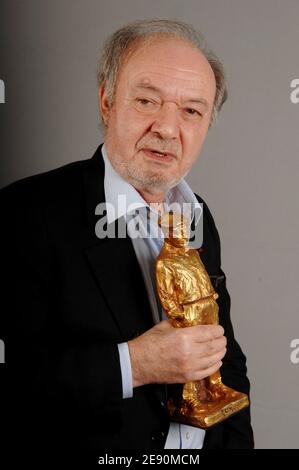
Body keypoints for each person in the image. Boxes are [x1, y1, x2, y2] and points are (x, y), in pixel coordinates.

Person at [0, 19, 254, 458]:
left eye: (191, 110)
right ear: (106, 101)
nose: (168, 128)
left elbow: (225, 355)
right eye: (147, 101)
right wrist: (133, 365)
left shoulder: (199, 217)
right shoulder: (23, 213)